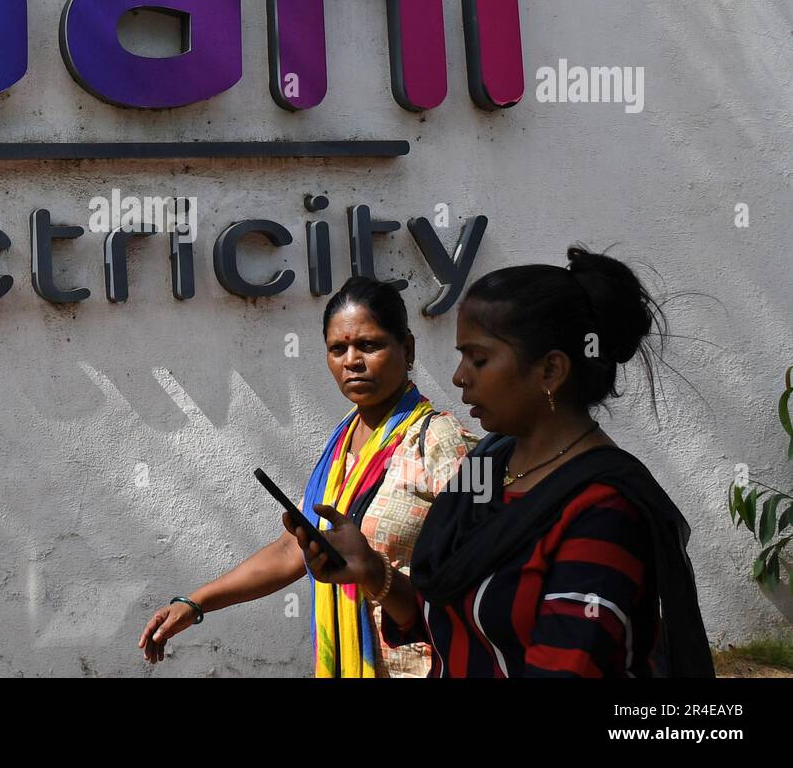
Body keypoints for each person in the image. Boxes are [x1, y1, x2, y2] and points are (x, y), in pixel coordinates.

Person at [287, 246, 714, 677]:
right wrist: (372, 572)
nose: (459, 376)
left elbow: (569, 664)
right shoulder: (486, 467)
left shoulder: (603, 512)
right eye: (461, 357)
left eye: (479, 359)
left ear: (550, 371)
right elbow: (443, 613)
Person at [138, 276, 478, 677]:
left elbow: (487, 564)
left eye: (368, 345)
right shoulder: (343, 444)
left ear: (407, 349)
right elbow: (291, 550)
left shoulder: (440, 441)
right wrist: (196, 604)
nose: (352, 360)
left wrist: (377, 574)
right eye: (338, 349)